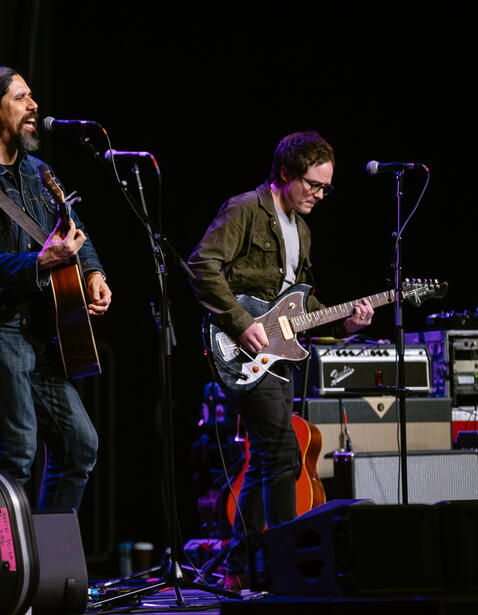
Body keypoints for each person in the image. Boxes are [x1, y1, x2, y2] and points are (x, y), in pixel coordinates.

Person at [187, 131, 373, 590]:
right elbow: (202, 266)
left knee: (267, 458)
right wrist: (238, 322)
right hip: (243, 349)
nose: (320, 194)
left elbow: (301, 307)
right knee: (282, 453)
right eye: (313, 184)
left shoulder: (302, 230)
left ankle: (237, 568)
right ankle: (284, 567)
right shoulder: (245, 209)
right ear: (286, 173)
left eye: (326, 187)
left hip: (280, 357)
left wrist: (347, 322)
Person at [0, 66, 112, 511]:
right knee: (16, 454)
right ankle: (4, 568)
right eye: (21, 98)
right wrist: (42, 261)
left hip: (39, 329)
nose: (34, 106)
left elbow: (75, 229)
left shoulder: (39, 172)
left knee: (79, 446)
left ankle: (48, 563)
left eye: (32, 97)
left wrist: (92, 275)